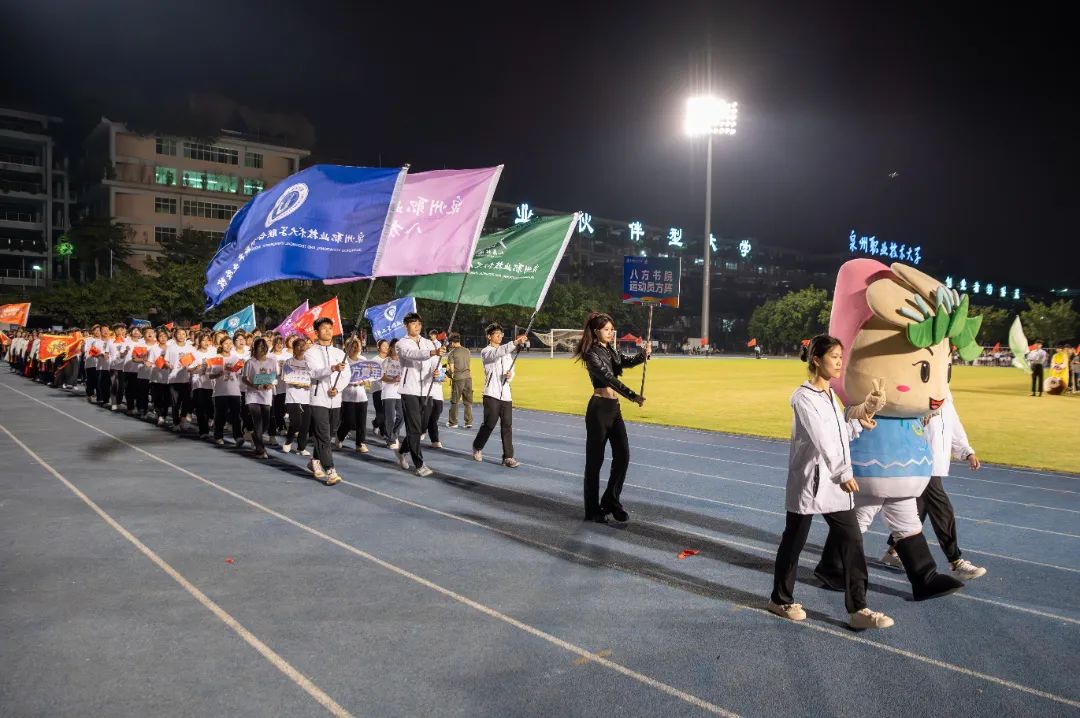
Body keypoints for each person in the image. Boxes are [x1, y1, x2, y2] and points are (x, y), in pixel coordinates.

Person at [768, 334, 894, 630]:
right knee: (794, 542)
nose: (840, 362)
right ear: (816, 359)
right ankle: (780, 600)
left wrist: (861, 418)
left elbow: (839, 434)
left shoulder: (830, 396)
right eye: (834, 356)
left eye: (841, 356)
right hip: (811, 482)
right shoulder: (803, 398)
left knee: (853, 541)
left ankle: (859, 608)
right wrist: (843, 473)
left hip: (835, 485)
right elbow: (822, 438)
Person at [880, 389, 987, 579]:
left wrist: (967, 452)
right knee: (942, 508)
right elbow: (900, 423)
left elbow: (953, 424)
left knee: (918, 509)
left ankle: (893, 551)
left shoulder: (945, 393)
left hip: (935, 463)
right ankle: (955, 561)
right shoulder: (917, 390)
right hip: (919, 460)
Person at [572, 312, 648, 523]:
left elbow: (624, 362)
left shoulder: (611, 349)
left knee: (623, 455)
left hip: (614, 408)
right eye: (606, 329)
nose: (610, 332)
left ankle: (611, 501)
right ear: (596, 331)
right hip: (599, 410)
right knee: (595, 462)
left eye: (612, 329)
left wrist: (643, 355)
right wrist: (632, 395)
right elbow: (608, 378)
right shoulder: (590, 353)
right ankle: (592, 510)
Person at [394, 312, 445, 477]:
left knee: (422, 426)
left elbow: (435, 364)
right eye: (413, 323)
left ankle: (402, 450)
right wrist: (433, 353)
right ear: (406, 326)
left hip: (427, 389)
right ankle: (419, 464)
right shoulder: (402, 344)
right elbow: (412, 355)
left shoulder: (428, 343)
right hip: (410, 390)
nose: (417, 326)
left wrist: (437, 372)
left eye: (419, 324)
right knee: (414, 427)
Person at [472, 324, 527, 467]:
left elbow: (512, 370)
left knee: (507, 425)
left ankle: (508, 457)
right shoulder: (486, 352)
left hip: (506, 394)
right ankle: (477, 446)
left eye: (501, 334)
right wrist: (516, 342)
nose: (499, 336)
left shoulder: (507, 353)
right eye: (496, 334)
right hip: (491, 393)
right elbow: (497, 353)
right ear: (489, 336)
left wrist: (510, 376)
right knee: (490, 423)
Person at [304, 316, 349, 485]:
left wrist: (338, 389)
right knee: (323, 435)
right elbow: (315, 373)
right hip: (318, 399)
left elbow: (346, 375)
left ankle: (314, 461)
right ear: (316, 332)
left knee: (329, 435)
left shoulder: (340, 353)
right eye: (324, 328)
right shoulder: (311, 353)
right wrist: (332, 368)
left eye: (330, 328)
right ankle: (330, 471)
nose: (328, 331)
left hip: (335, 399)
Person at [242, 337, 278, 458]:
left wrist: (271, 384)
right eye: (259, 347)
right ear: (254, 348)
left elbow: (275, 377)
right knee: (257, 421)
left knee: (265, 422)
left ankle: (254, 436)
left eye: (263, 347)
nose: (261, 349)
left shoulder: (272, 361)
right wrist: (253, 385)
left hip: (266, 394)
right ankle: (261, 450)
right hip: (253, 395)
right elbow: (244, 378)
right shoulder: (250, 362)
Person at [336, 336, 370, 454]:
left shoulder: (363, 360)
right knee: (348, 421)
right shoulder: (343, 362)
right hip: (347, 395)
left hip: (361, 395)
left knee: (361, 422)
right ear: (346, 348)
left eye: (357, 346)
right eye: (352, 347)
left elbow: (368, 376)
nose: (355, 349)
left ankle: (360, 443)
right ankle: (340, 436)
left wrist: (365, 381)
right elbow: (339, 378)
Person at [281, 337, 312, 455]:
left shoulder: (309, 363)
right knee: (296, 422)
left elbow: (313, 377)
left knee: (305, 424)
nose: (301, 348)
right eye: (298, 345)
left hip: (306, 397)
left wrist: (308, 384)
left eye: (303, 345)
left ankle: (301, 448)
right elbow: (286, 378)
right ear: (294, 349)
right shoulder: (288, 362)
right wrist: (297, 383)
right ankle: (289, 440)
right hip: (292, 396)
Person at [211, 336, 244, 447]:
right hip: (220, 391)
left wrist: (236, 368)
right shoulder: (216, 358)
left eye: (230, 343)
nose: (228, 345)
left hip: (234, 391)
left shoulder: (235, 358)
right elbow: (210, 375)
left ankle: (238, 437)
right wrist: (218, 374)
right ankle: (218, 436)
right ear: (221, 345)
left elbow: (239, 373)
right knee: (220, 415)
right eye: (226, 343)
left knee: (236, 416)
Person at [165, 327, 195, 432]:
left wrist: (190, 365)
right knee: (175, 403)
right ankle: (176, 423)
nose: (181, 336)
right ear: (175, 335)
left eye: (183, 334)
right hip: (173, 378)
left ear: (186, 336)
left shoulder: (190, 348)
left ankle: (183, 420)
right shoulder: (170, 347)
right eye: (179, 334)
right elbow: (166, 361)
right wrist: (169, 365)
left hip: (186, 379)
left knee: (186, 401)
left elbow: (193, 362)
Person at [189, 332, 216, 439]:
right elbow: (189, 369)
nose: (206, 342)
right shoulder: (194, 354)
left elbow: (218, 367)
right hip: (198, 384)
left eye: (208, 340)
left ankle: (209, 420)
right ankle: (203, 431)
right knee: (200, 408)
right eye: (203, 340)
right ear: (199, 342)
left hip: (210, 384)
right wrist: (197, 368)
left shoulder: (213, 353)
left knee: (210, 407)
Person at [445, 333, 473, 429]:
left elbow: (452, 370)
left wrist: (446, 372)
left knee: (455, 401)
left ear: (452, 342)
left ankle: (453, 422)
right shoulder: (467, 351)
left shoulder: (451, 353)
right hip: (468, 378)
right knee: (468, 402)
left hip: (458, 379)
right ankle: (468, 422)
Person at [380, 340, 403, 449]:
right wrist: (393, 380)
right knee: (390, 418)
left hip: (400, 393)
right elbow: (382, 377)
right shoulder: (386, 361)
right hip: (388, 392)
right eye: (395, 347)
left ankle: (394, 434)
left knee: (402, 416)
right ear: (391, 348)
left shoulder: (403, 362)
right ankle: (390, 440)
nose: (397, 350)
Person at [123, 327, 145, 415]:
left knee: (139, 390)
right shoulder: (126, 342)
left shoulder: (143, 343)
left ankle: (140, 408)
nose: (136, 332)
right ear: (130, 332)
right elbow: (121, 354)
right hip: (128, 369)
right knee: (129, 390)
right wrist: (125, 351)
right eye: (134, 330)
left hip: (140, 370)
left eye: (138, 331)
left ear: (140, 333)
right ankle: (130, 408)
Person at [370, 339, 390, 438]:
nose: (386, 347)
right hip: (377, 389)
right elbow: (371, 375)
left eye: (387, 345)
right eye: (384, 346)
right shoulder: (374, 360)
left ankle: (375, 423)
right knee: (380, 413)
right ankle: (384, 432)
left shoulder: (391, 360)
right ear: (378, 347)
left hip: (388, 390)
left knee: (386, 413)